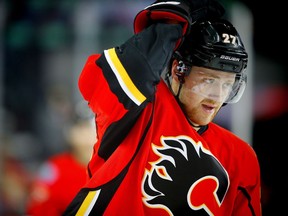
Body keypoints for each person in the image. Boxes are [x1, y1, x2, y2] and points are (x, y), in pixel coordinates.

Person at [64, 0, 261, 215]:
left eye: (227, 83)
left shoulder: (241, 156)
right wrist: (171, 23)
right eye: (208, 80)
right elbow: (104, 77)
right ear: (178, 70)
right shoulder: (141, 111)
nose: (218, 95)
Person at [25, 117, 96, 216]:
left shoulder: (114, 168)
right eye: (81, 128)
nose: (87, 135)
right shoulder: (55, 168)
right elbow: (37, 207)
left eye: (91, 128)